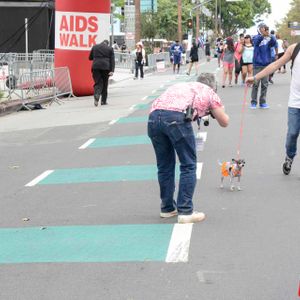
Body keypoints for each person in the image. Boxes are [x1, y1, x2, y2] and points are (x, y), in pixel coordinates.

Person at [147, 73, 229, 223]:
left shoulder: (181, 86)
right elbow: (224, 121)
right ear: (213, 86)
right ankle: (185, 211)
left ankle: (167, 208)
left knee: (164, 166)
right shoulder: (209, 92)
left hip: (153, 118)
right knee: (188, 165)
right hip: (176, 120)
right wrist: (218, 109)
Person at [246, 43, 300, 175]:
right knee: (292, 133)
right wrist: (255, 77)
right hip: (295, 102)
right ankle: (289, 156)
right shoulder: (294, 48)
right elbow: (275, 65)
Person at [250, 23, 277, 109]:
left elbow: (274, 42)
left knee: (265, 84)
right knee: (255, 84)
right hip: (257, 64)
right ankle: (253, 102)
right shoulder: (255, 37)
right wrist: (262, 35)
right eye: (262, 28)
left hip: (266, 65)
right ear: (259, 29)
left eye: (265, 28)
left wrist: (269, 35)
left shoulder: (269, 39)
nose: (264, 30)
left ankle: (263, 102)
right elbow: (256, 42)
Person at [89, 39, 115, 106]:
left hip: (96, 67)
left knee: (97, 82)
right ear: (107, 44)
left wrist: (97, 58)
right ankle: (103, 101)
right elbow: (112, 60)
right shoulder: (110, 49)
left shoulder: (95, 47)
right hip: (106, 68)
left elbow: (90, 57)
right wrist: (112, 70)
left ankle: (97, 94)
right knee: (105, 84)